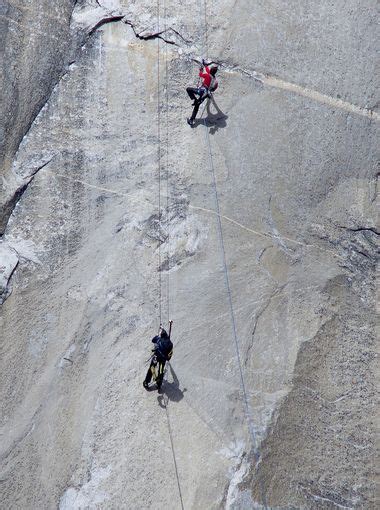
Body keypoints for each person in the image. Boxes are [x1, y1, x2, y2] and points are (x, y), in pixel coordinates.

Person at [186, 61, 218, 126]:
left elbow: (200, 75)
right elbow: (214, 88)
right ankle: (191, 120)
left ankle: (194, 99)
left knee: (188, 89)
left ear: (211, 70)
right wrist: (205, 66)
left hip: (201, 91)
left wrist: (201, 70)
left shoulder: (207, 75)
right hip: (205, 94)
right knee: (197, 105)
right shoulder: (215, 80)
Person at [143, 325, 173, 391]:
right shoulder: (170, 344)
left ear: (161, 335)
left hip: (156, 357)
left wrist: (158, 335)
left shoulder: (158, 339)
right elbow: (169, 356)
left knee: (152, 368)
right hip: (163, 360)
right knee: (161, 371)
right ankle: (159, 385)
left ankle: (146, 383)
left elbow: (153, 340)